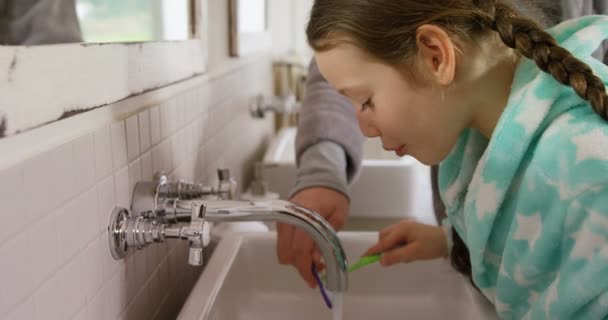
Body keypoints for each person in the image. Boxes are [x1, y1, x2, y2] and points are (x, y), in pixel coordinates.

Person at [295, 0, 608, 318]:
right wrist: (452, 241)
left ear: (435, 56)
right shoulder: (479, 139)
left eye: (365, 101)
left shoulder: (590, 181)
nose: (363, 129)